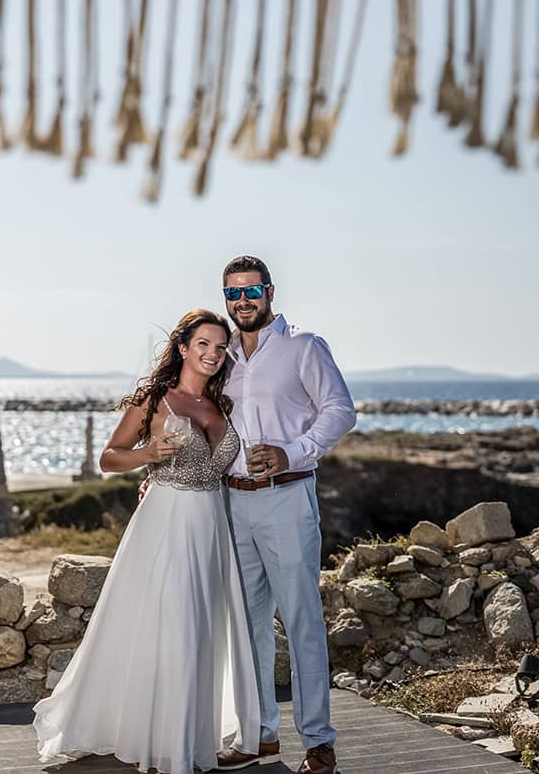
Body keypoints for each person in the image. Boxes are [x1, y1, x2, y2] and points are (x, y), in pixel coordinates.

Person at [32, 309, 261, 774]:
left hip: (211, 527)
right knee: (170, 626)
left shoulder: (225, 404)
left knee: (200, 629)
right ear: (182, 348)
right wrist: (148, 456)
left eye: (221, 347)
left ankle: (185, 738)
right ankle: (162, 747)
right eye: (203, 344)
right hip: (166, 523)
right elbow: (109, 458)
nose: (213, 354)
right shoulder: (157, 401)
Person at [215, 256, 357, 774]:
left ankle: (319, 742)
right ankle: (259, 736)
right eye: (232, 294)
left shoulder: (304, 347)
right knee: (247, 625)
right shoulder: (222, 355)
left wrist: (291, 451)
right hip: (232, 501)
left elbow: (340, 410)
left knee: (301, 622)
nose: (242, 302)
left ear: (270, 292)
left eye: (250, 291)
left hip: (287, 496)